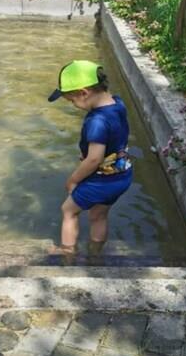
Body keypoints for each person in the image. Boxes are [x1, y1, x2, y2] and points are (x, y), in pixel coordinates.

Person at [47, 60, 133, 258]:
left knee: (68, 210)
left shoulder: (97, 121)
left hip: (101, 182)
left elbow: (94, 159)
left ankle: (67, 252)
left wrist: (73, 180)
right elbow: (113, 138)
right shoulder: (118, 103)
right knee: (98, 215)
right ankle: (95, 253)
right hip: (122, 176)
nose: (73, 105)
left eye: (72, 100)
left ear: (84, 93)